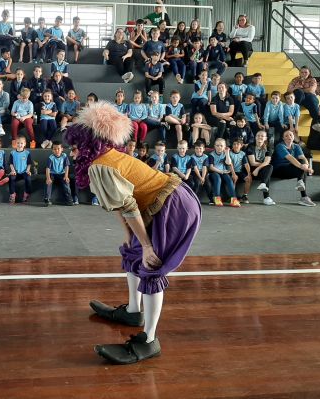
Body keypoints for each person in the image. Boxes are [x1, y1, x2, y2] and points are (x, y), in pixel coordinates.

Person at [63, 102, 201, 365]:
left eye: (75, 145)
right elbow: (122, 200)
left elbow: (128, 205)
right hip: (163, 202)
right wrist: (131, 236)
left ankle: (149, 339)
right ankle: (134, 311)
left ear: (88, 144)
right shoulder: (106, 159)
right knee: (132, 252)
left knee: (150, 265)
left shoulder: (100, 166)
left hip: (173, 207)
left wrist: (148, 246)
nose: (72, 151)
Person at [272, 130, 316, 207]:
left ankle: (301, 186)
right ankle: (304, 196)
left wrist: (306, 165)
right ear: (283, 138)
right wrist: (305, 168)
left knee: (302, 162)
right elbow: (290, 158)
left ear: (293, 137)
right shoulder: (280, 146)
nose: (289, 137)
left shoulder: (296, 146)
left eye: (291, 135)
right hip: (279, 170)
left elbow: (303, 158)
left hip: (291, 168)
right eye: (286, 136)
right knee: (301, 167)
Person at [208, 138, 240, 207]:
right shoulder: (212, 155)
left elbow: (228, 163)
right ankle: (217, 198)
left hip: (223, 171)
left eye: (221, 146)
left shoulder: (225, 153)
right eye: (217, 145)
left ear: (224, 146)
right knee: (218, 178)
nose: (219, 147)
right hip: (214, 172)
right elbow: (211, 167)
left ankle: (233, 199)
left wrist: (227, 153)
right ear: (214, 146)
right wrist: (221, 171)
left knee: (229, 179)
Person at [247, 130, 275, 205]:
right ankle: (266, 197)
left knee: (269, 167)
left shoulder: (269, 147)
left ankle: (263, 184)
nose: (260, 137)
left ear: (265, 138)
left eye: (262, 136)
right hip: (251, 169)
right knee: (268, 170)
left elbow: (267, 162)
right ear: (255, 137)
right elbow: (252, 163)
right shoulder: (251, 146)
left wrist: (258, 168)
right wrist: (258, 168)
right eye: (258, 135)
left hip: (259, 170)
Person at [44, 141, 73, 206]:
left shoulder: (64, 156)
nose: (57, 151)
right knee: (48, 183)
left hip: (62, 174)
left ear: (62, 149)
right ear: (52, 150)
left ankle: (69, 199)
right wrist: (48, 178)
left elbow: (66, 166)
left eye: (58, 149)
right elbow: (48, 168)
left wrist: (66, 176)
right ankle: (47, 199)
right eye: (54, 149)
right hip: (53, 174)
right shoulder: (51, 157)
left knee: (66, 182)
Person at [7, 136, 33, 204]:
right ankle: (12, 195)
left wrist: (28, 170)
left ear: (24, 144)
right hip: (16, 172)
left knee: (28, 179)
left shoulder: (27, 153)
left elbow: (29, 164)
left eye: (21, 143)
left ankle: (26, 194)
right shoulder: (12, 153)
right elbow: (11, 163)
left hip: (24, 172)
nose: (19, 145)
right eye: (18, 143)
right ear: (15, 143)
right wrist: (13, 170)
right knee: (11, 178)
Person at [229, 138, 251, 204]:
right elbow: (230, 164)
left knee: (248, 179)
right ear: (232, 145)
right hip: (230, 171)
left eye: (238, 144)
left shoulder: (243, 153)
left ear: (241, 145)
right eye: (234, 144)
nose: (236, 146)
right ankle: (233, 197)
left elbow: (246, 164)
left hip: (240, 171)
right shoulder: (229, 153)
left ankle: (244, 196)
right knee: (234, 179)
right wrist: (233, 174)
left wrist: (249, 174)